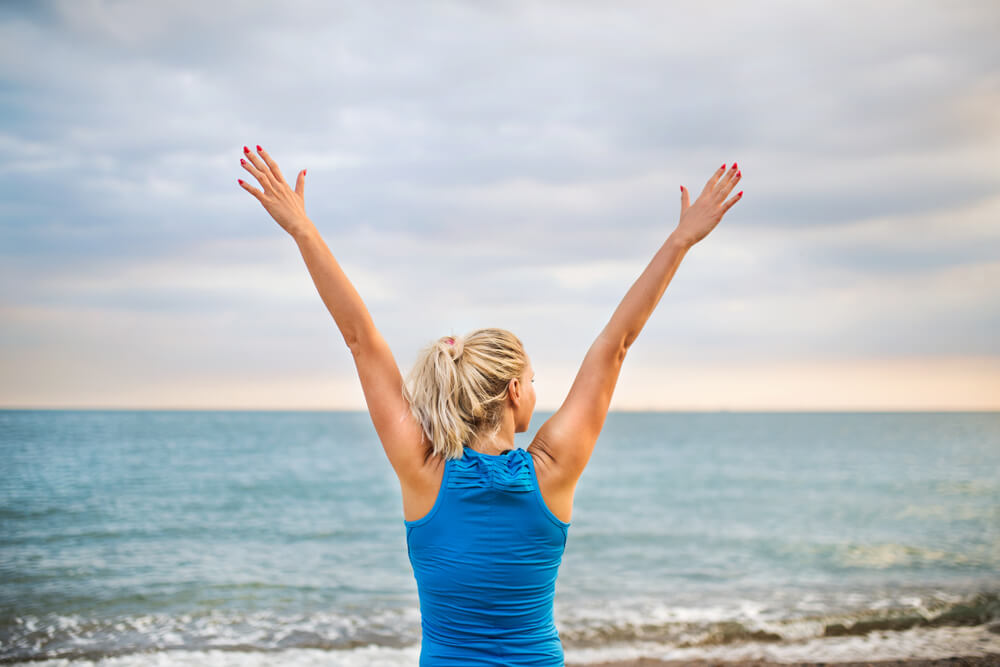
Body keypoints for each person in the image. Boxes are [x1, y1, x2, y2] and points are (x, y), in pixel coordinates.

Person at [237, 144, 743, 665]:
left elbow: (360, 339)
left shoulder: (423, 471)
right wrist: (682, 240)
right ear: (514, 393)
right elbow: (615, 346)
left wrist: (302, 229)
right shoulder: (551, 472)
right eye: (533, 380)